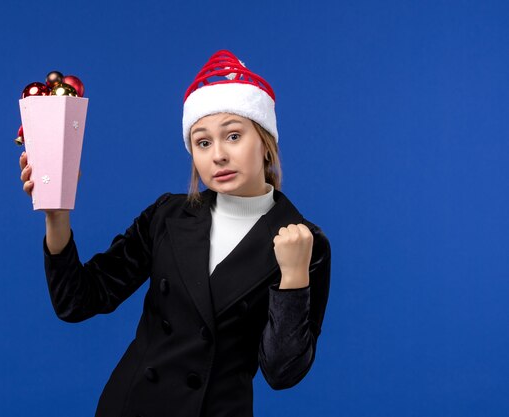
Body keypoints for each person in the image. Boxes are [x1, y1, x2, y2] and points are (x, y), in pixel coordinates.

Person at [19, 50, 331, 417]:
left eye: (233, 135)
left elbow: (282, 373)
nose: (218, 155)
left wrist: (293, 279)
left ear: (265, 142)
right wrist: (57, 215)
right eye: (203, 142)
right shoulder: (168, 215)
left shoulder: (303, 241)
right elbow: (78, 302)